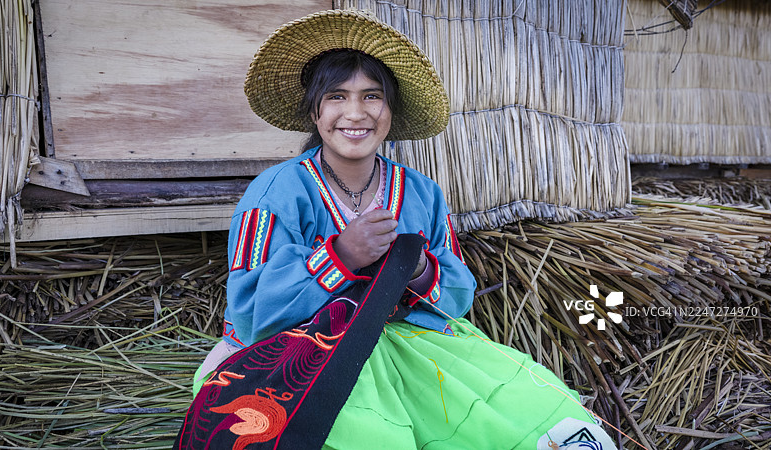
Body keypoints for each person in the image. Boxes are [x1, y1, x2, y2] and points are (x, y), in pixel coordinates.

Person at [178, 9, 618, 450]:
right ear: (314, 110)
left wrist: (420, 270)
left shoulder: (422, 193)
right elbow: (251, 311)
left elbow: (457, 296)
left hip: (412, 347)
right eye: (336, 96)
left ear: (390, 110)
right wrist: (339, 257)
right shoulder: (276, 193)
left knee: (531, 410)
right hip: (302, 358)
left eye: (372, 96)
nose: (355, 113)